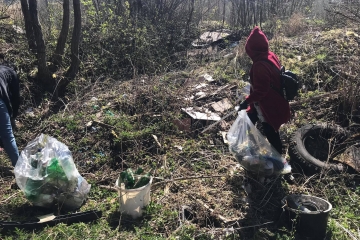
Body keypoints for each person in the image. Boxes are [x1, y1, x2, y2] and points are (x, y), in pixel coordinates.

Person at [239, 26, 290, 155]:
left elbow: (261, 91)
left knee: (270, 130)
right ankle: (250, 144)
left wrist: (247, 101)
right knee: (250, 118)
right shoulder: (270, 55)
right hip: (274, 99)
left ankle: (279, 159)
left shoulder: (259, 66)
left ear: (252, 49)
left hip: (269, 105)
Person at [0, 64, 20, 166]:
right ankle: (20, 169)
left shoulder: (3, 72)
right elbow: (15, 99)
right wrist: (13, 116)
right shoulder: (12, 73)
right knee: (8, 136)